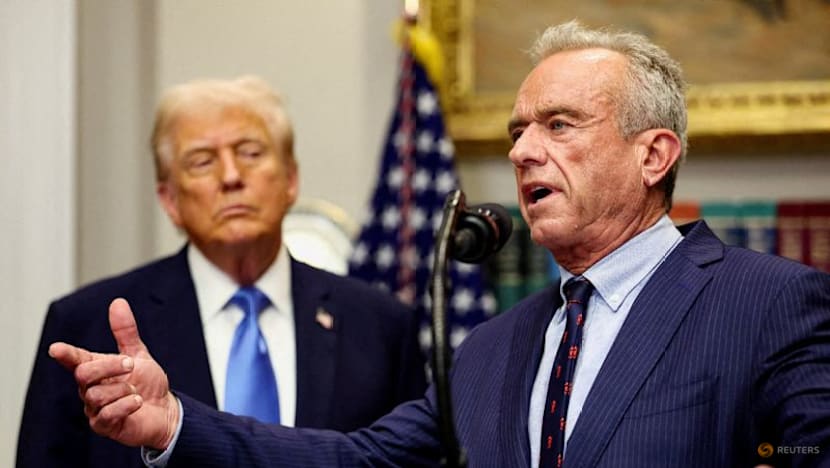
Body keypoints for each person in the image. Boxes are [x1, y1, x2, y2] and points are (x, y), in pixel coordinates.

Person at [50, 21, 830, 468]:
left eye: (559, 125)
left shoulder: (770, 304)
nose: (523, 151)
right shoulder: (493, 349)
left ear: (654, 154)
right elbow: (355, 462)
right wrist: (174, 423)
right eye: (517, 131)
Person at [18, 76, 427, 468]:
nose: (231, 177)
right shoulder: (86, 326)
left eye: (250, 153)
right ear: (169, 200)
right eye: (202, 161)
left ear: (290, 179)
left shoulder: (381, 326)